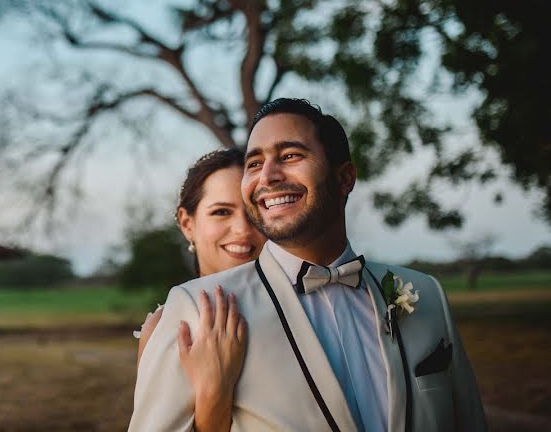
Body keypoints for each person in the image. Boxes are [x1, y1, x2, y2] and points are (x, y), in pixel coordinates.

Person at [129, 98, 487, 432]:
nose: (267, 176)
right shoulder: (196, 309)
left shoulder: (426, 295)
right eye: (254, 163)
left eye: (289, 155)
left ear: (345, 177)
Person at [135, 148, 267, 432]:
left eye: (254, 210)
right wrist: (214, 391)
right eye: (222, 212)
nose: (243, 230)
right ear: (187, 223)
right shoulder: (170, 327)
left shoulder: (299, 306)